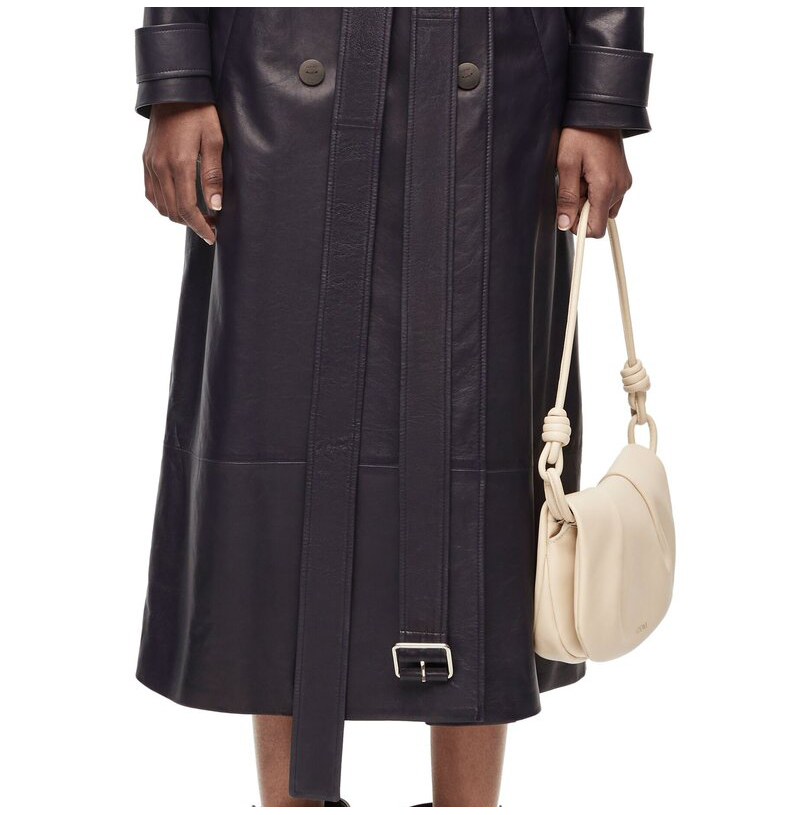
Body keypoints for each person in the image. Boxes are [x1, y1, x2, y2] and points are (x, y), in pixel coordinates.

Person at [134, 7, 651, 807]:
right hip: (277, 76)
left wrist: (601, 101)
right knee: (282, 426)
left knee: (479, 439)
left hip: (496, 74)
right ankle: (293, 801)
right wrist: (176, 83)